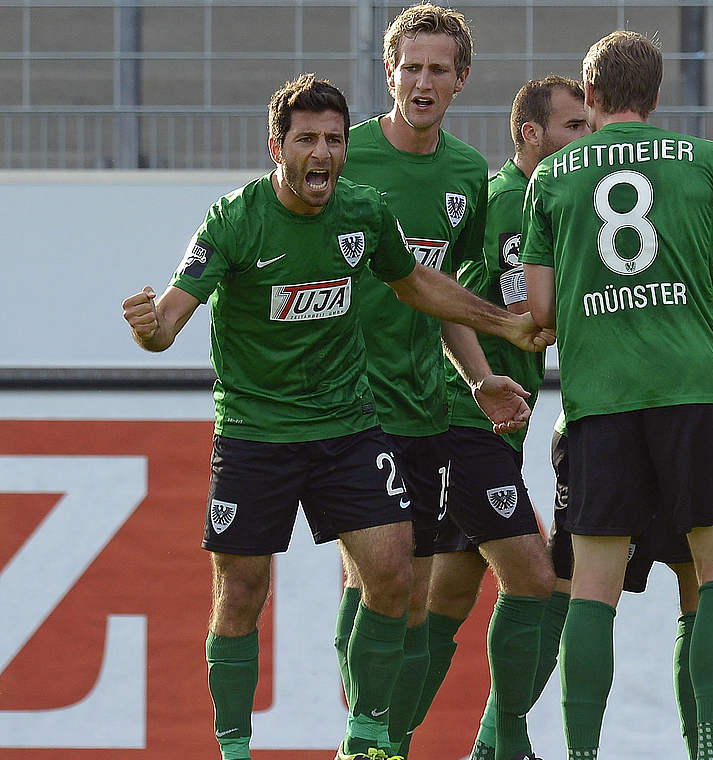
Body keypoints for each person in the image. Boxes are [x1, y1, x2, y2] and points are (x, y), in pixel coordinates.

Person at [120, 73, 550, 760]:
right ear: (276, 146)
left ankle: (369, 737)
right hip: (256, 433)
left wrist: (504, 323)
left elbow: (414, 282)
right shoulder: (235, 220)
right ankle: (234, 748)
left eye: (333, 140)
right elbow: (169, 320)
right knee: (241, 592)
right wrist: (148, 329)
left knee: (392, 570)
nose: (321, 153)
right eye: (306, 140)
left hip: (347, 424)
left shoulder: (363, 211)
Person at [520, 30, 713, 760]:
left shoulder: (554, 176)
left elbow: (542, 310)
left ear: (589, 98)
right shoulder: (706, 159)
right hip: (694, 391)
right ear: (657, 98)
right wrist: (684, 299)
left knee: (593, 588)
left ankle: (583, 752)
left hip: (601, 402)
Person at [324, 6, 540, 759]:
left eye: (437, 70)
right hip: (346, 405)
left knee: (408, 597)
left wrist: (479, 377)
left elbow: (440, 293)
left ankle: (383, 740)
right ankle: (365, 737)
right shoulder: (338, 156)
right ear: (388, 73)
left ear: (460, 82)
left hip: (424, 406)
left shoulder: (462, 177)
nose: (422, 81)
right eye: (410, 67)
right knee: (379, 575)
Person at [418, 74, 591, 760]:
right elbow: (435, 297)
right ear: (531, 134)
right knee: (536, 579)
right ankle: (504, 746)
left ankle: (386, 739)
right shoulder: (497, 205)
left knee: (450, 600)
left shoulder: (554, 204)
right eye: (574, 126)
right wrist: (482, 375)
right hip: (463, 419)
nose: (588, 136)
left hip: (501, 427)